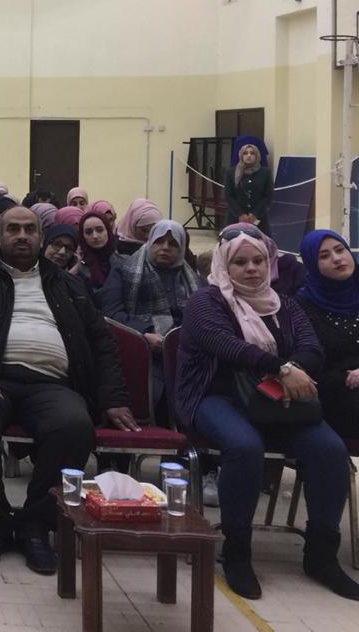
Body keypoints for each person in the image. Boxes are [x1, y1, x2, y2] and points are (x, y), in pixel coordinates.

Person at [0, 206, 134, 573]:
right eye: (13, 229)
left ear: (41, 237)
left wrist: (112, 398)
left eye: (30, 229)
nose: (22, 236)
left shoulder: (70, 286)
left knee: (74, 425)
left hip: (53, 383)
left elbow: (103, 343)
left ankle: (36, 525)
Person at [175, 229, 359, 600]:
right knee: (244, 447)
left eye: (258, 261)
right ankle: (237, 553)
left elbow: (312, 348)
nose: (252, 269)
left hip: (277, 401)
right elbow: (224, 344)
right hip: (216, 397)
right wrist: (281, 368)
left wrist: (291, 371)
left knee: (330, 450)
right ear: (225, 265)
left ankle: (321, 556)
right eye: (240, 262)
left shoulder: (283, 303)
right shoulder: (206, 300)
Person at [100, 219, 199, 416]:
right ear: (150, 241)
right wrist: (144, 334)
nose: (165, 248)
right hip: (139, 352)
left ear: (181, 249)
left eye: (173, 244)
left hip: (182, 354)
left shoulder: (192, 280)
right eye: (159, 241)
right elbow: (111, 313)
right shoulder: (124, 269)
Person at [295, 229, 359, 438]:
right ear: (312, 265)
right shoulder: (302, 307)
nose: (337, 258)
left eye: (340, 250)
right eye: (324, 256)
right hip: (340, 393)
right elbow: (314, 365)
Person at [225, 143, 273, 233]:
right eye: (245, 153)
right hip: (235, 218)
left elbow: (268, 196)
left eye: (252, 153)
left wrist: (255, 214)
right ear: (241, 155)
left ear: (257, 156)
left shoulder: (265, 172)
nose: (249, 155)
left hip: (259, 218)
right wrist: (240, 214)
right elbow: (229, 195)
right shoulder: (231, 172)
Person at [77, 211, 119, 292]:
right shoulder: (80, 268)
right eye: (88, 232)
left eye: (100, 230)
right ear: (83, 236)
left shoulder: (123, 262)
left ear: (108, 231)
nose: (95, 236)